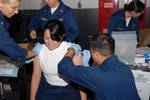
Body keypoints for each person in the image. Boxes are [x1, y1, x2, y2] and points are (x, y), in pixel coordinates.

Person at [58, 34, 140, 100]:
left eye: (91, 52)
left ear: (96, 54)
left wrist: (71, 50)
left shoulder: (96, 75)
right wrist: (87, 68)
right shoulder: (125, 68)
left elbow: (63, 67)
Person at [30, 19, 86, 100]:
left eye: (54, 39)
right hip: (47, 87)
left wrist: (83, 99)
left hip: (69, 88)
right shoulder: (39, 50)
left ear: (62, 36)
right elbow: (36, 76)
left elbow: (80, 79)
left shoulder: (72, 50)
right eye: (47, 38)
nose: (50, 42)